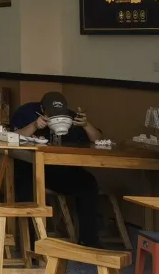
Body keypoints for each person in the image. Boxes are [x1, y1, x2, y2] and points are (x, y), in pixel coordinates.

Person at [10, 91, 103, 248]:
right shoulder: (27, 113)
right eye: (52, 114)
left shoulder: (72, 118)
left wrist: (86, 125)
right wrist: (34, 126)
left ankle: (89, 241)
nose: (57, 117)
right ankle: (31, 244)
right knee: (27, 187)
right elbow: (11, 137)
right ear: (42, 110)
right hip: (30, 168)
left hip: (60, 169)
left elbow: (98, 139)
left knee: (88, 183)